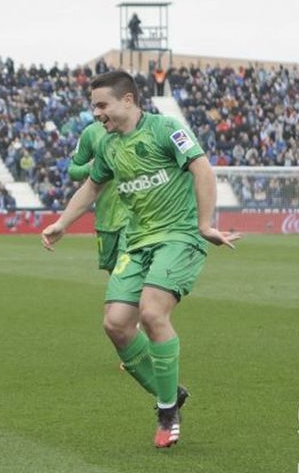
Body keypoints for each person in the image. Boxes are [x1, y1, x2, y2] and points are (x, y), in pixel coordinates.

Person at [41, 71, 241, 449]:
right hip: (138, 243)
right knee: (116, 325)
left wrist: (204, 224)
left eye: (102, 105)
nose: (96, 113)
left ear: (128, 100)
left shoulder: (166, 129)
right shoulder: (107, 145)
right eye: (93, 107)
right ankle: (171, 392)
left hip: (179, 237)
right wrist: (63, 223)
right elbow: (92, 185)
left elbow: (202, 168)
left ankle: (166, 411)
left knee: (151, 313)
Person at [68, 119, 129, 274]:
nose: (98, 111)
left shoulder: (143, 127)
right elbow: (73, 171)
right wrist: (91, 166)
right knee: (114, 272)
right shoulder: (91, 132)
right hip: (106, 218)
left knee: (127, 273)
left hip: (134, 216)